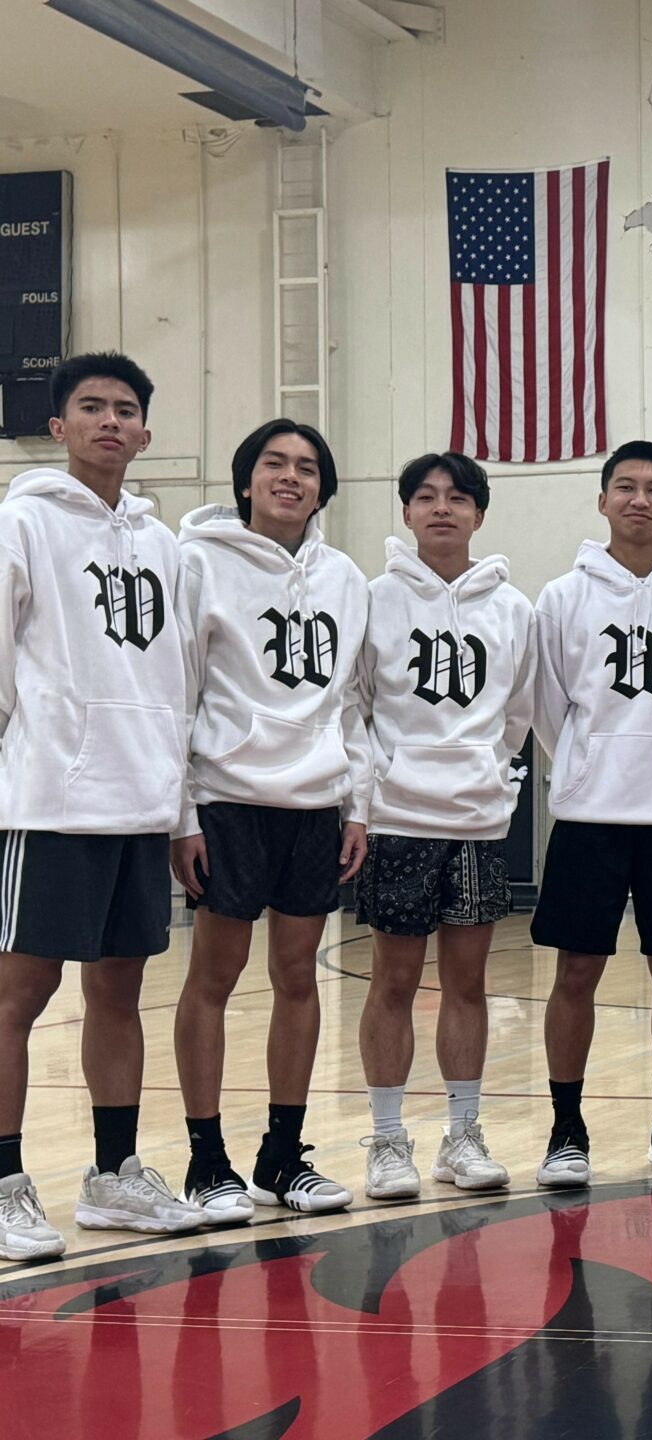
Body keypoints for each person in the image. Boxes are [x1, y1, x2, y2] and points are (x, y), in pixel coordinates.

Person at [0, 352, 205, 1260]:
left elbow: (179, 685)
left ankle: (113, 1176)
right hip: (51, 802)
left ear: (146, 433)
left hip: (141, 804)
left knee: (120, 993)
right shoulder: (21, 523)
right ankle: (5, 1184)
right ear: (58, 426)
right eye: (91, 407)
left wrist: (182, 812)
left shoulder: (165, 547)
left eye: (125, 408)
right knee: (18, 996)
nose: (110, 421)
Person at [171, 419, 370, 1218]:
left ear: (324, 489)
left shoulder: (345, 578)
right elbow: (178, 693)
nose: (291, 477)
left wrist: (356, 803)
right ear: (246, 479)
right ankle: (206, 1159)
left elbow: (351, 703)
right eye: (274, 463)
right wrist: (183, 813)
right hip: (228, 799)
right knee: (213, 979)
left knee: (298, 978)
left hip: (314, 804)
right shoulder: (196, 563)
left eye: (307, 467)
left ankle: (282, 1157)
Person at [529, 441, 652, 1185]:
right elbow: (547, 707)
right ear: (603, 500)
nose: (639, 499)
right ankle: (566, 1130)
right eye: (625, 486)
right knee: (575, 972)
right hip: (589, 817)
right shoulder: (562, 598)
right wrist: (590, 766)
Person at [354, 452, 536, 1200]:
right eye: (425, 497)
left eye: (457, 498)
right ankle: (387, 1140)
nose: (441, 508)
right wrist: (377, 786)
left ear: (478, 515)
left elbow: (519, 712)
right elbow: (356, 704)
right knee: (393, 982)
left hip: (476, 823)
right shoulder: (373, 600)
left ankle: (463, 1135)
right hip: (398, 818)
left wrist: (490, 772)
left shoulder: (513, 609)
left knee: (468, 984)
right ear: (405, 512)